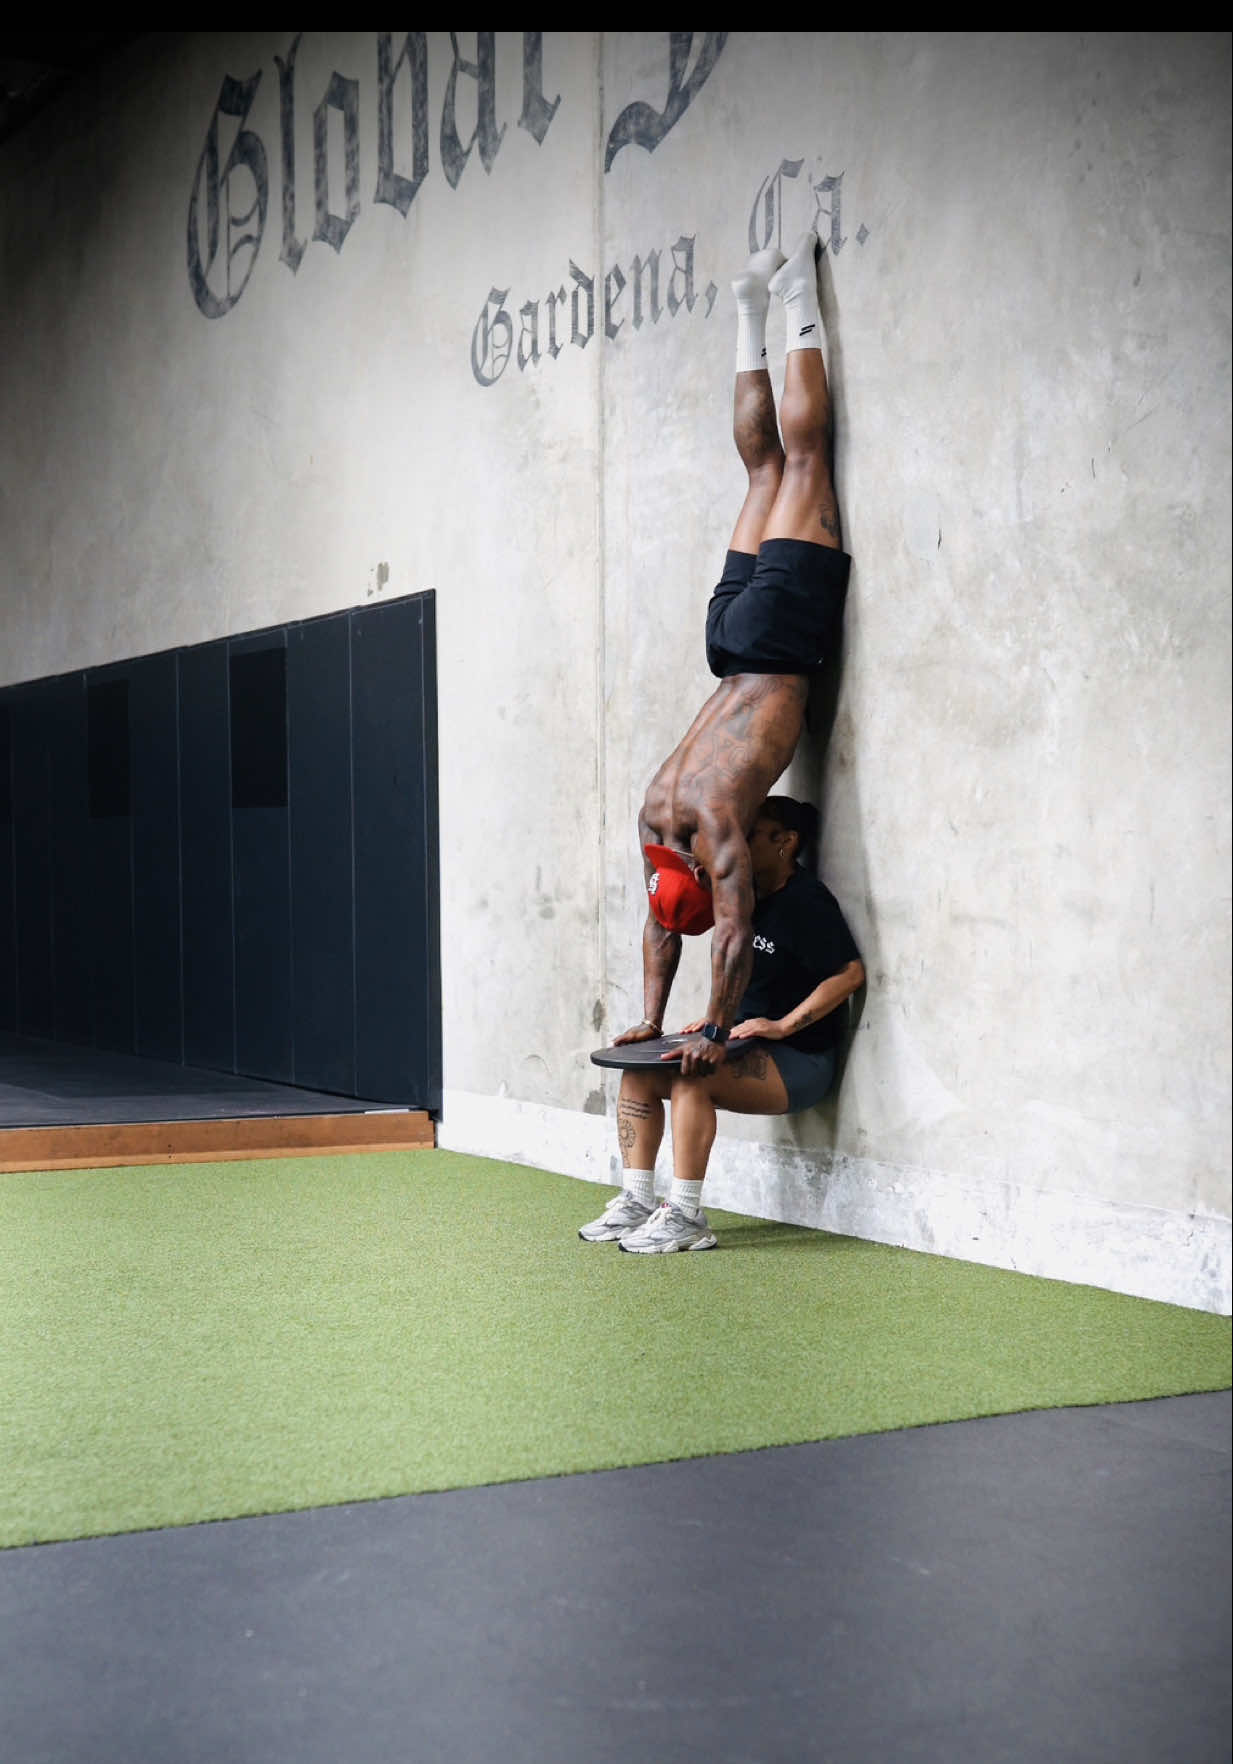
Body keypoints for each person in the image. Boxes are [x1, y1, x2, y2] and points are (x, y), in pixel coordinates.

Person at [622, 227, 850, 1089]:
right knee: (762, 476)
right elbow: (663, 925)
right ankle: (750, 304)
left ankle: (791, 299)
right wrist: (651, 1017)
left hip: (771, 646)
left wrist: (709, 1024)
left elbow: (722, 930)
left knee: (798, 461)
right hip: (725, 647)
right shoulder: (656, 815)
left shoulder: (714, 817)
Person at [579, 795, 864, 1250]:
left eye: (749, 834)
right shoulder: (739, 897)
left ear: (785, 842)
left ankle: (687, 1214)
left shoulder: (807, 901)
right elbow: (672, 921)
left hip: (802, 1060)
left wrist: (784, 1025)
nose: (733, 844)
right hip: (743, 1042)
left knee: (692, 1078)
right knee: (639, 1071)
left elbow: (850, 973)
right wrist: (705, 1023)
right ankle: (637, 1201)